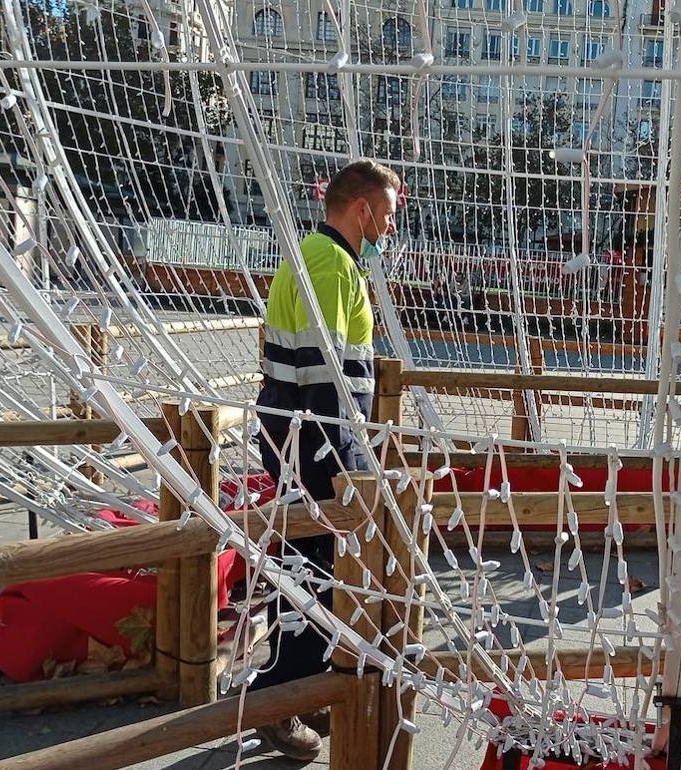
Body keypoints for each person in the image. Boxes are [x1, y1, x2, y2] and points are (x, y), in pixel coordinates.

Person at [251, 158, 400, 761]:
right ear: (362, 208)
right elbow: (326, 374)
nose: (393, 223)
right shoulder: (331, 263)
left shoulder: (322, 256)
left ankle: (302, 690)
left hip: (303, 434)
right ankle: (278, 697)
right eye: (388, 211)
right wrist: (342, 459)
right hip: (314, 438)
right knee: (319, 567)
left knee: (311, 563)